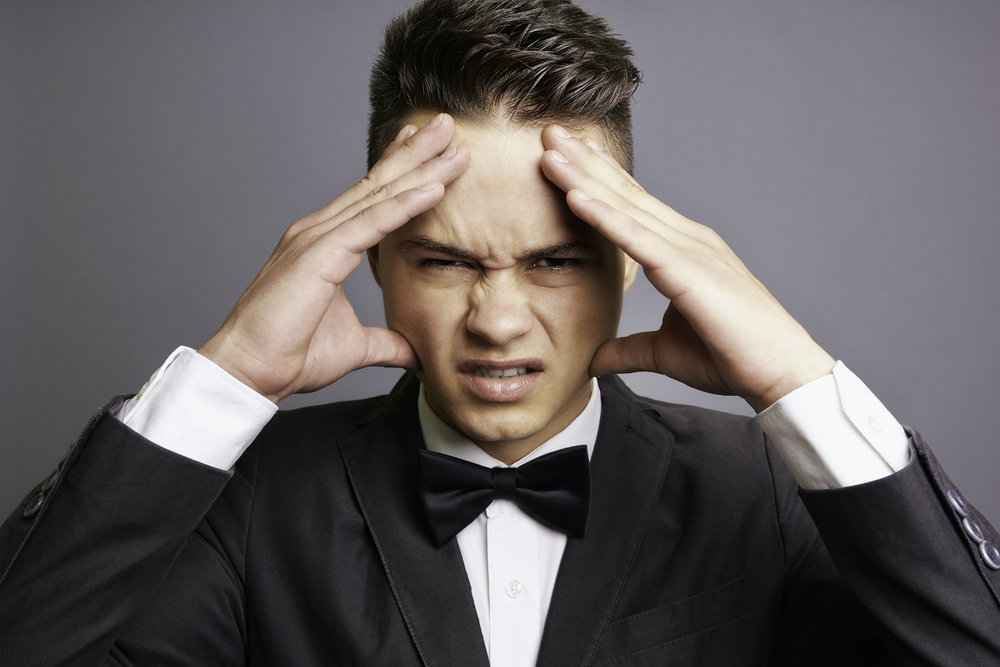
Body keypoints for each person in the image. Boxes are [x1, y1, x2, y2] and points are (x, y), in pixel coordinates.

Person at [1, 0, 998, 664]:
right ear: (372, 258)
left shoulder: (775, 492)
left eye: (554, 261)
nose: (499, 320)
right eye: (444, 261)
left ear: (629, 262)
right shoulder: (248, 496)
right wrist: (225, 377)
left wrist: (796, 380)